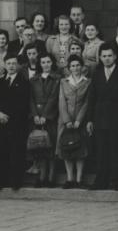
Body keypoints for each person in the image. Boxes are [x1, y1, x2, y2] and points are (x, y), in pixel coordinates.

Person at [86, 44, 118, 191]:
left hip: (117, 117)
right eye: (104, 56)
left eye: (109, 56)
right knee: (101, 150)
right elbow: (92, 98)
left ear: (115, 57)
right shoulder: (97, 74)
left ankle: (117, 181)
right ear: (100, 57)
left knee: (117, 149)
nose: (107, 59)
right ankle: (101, 180)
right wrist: (90, 119)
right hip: (100, 118)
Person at [57, 55, 90, 188]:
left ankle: (79, 179)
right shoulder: (64, 82)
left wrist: (79, 120)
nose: (75, 68)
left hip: (80, 120)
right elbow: (61, 101)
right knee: (66, 148)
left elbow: (87, 102)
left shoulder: (87, 82)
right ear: (69, 68)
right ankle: (69, 179)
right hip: (66, 119)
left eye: (77, 65)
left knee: (80, 149)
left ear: (82, 67)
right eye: (72, 66)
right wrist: (66, 120)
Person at [0, 53, 31, 190]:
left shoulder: (24, 82)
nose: (11, 66)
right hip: (1, 122)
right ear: (5, 65)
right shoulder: (1, 81)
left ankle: (15, 182)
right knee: (2, 151)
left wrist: (8, 116)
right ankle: (2, 180)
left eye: (13, 63)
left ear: (17, 65)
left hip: (17, 123)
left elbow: (23, 104)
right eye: (9, 64)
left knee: (16, 151)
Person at [29, 53, 60, 187]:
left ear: (52, 63)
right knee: (40, 147)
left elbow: (54, 97)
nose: (46, 65)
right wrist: (35, 115)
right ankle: (41, 177)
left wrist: (45, 116)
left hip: (51, 117)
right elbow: (30, 99)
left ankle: (51, 177)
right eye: (43, 62)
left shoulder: (57, 78)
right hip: (37, 118)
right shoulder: (34, 79)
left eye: (48, 62)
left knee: (50, 146)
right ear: (40, 64)